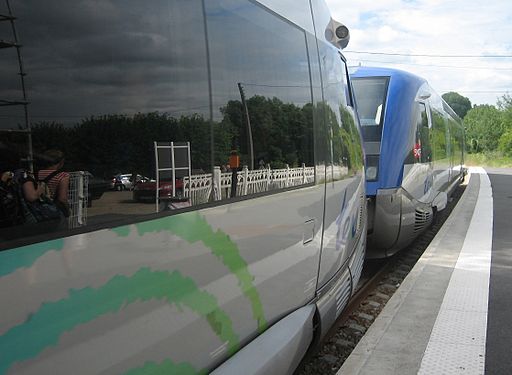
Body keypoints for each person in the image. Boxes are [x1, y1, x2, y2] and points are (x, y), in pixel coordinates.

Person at [37, 149, 70, 217]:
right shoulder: (63, 176)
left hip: (38, 211)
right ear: (61, 162)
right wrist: (68, 210)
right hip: (54, 211)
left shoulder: (37, 173)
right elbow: (62, 198)